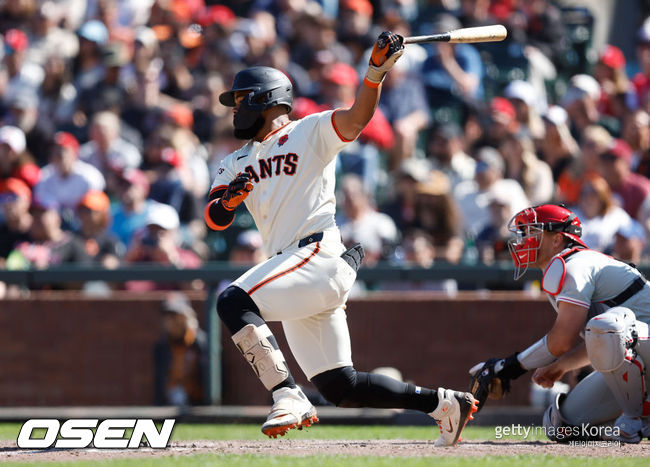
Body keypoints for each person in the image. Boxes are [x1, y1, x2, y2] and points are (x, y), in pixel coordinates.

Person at [204, 33, 477, 446]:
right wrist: (230, 199)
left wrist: (374, 73)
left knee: (232, 300)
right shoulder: (234, 160)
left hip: (314, 253)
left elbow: (356, 118)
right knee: (341, 387)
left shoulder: (309, 130)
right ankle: (444, 404)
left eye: (241, 99)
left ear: (265, 99)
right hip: (295, 273)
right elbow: (215, 218)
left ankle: (285, 394)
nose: (236, 109)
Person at [469, 204, 650, 444]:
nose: (523, 240)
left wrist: (510, 366)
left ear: (556, 240)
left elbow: (564, 340)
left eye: (532, 232)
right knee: (561, 424)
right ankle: (636, 417)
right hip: (638, 349)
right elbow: (604, 345)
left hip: (640, 341)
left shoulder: (576, 265)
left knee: (606, 327)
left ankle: (636, 420)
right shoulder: (566, 268)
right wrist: (561, 366)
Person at [154, 292, 209, 406]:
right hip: (169, 406)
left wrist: (192, 333)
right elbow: (160, 386)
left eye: (176, 316)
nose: (171, 322)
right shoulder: (162, 347)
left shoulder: (202, 343)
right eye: (167, 317)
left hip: (198, 407)